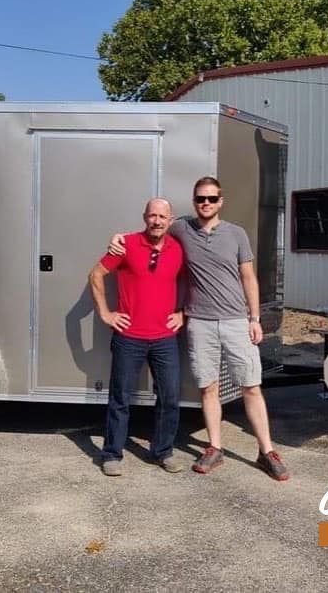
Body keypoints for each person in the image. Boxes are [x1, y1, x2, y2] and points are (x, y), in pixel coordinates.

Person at [110, 177, 288, 481]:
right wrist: (119, 237)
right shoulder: (182, 229)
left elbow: (248, 277)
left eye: (211, 198)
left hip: (235, 321)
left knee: (251, 386)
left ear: (221, 201)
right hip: (200, 323)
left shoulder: (236, 234)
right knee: (208, 388)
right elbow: (154, 227)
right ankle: (214, 447)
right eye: (200, 199)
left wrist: (255, 318)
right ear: (194, 202)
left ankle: (266, 450)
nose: (206, 203)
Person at [89, 198, 185, 477]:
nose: (156, 221)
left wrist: (182, 312)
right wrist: (106, 314)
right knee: (120, 398)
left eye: (162, 217)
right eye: (152, 216)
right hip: (129, 337)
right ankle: (112, 454)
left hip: (165, 338)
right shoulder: (126, 244)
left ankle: (163, 451)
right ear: (145, 217)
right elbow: (95, 275)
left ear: (170, 219)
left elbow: (194, 282)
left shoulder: (178, 250)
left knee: (169, 397)